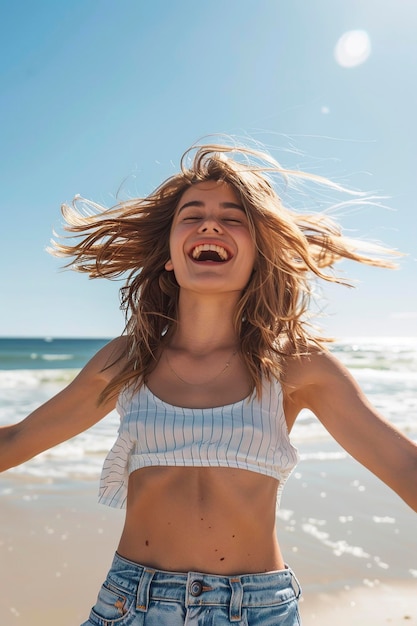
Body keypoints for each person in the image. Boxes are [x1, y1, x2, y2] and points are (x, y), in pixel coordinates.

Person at [1, 141, 416, 626]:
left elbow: (404, 465)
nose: (210, 224)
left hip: (257, 609)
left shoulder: (297, 367)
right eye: (191, 215)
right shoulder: (128, 361)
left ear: (259, 256)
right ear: (171, 257)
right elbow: (17, 439)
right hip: (130, 604)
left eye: (233, 217)